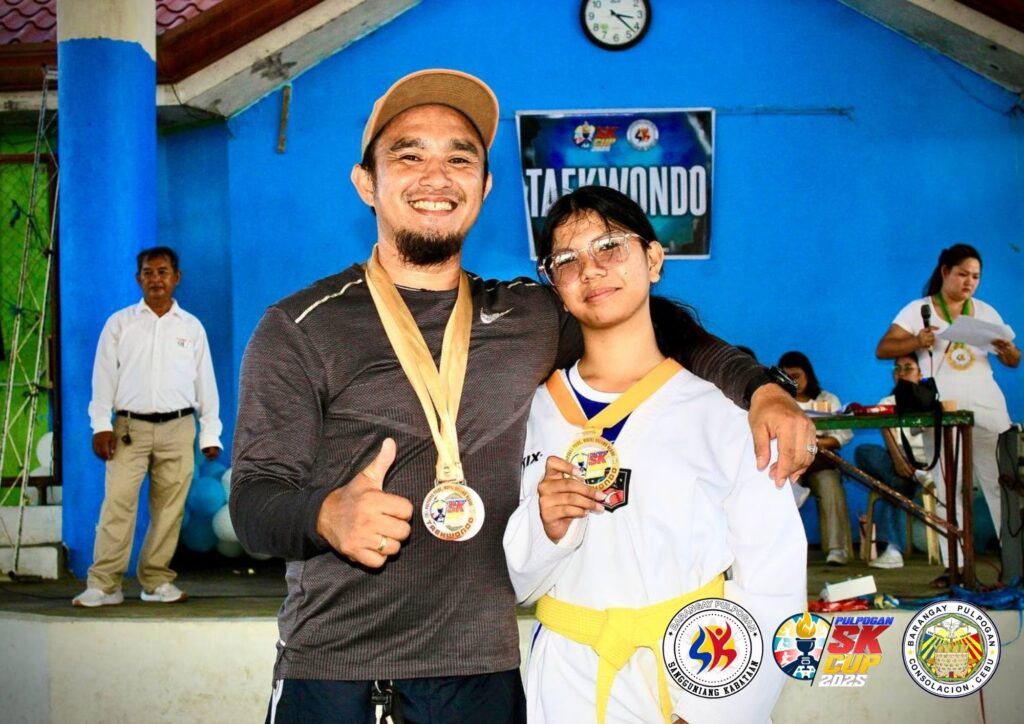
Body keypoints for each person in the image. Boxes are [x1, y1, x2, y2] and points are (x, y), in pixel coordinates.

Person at [229, 68, 816, 722]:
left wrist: (759, 388)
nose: (436, 176)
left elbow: (652, 324)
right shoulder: (301, 326)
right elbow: (253, 503)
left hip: (485, 674)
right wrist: (324, 515)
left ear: (483, 187)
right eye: (409, 156)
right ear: (367, 182)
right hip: (338, 672)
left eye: (460, 158)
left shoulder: (528, 317)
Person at [503, 186, 806, 724]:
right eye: (567, 260)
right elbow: (512, 582)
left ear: (654, 259)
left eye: (609, 246)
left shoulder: (722, 408)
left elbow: (775, 579)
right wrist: (544, 528)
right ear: (554, 286)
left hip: (698, 665)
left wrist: (715, 711)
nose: (590, 270)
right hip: (570, 680)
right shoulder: (528, 411)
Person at [73, 246, 222, 607]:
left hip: (179, 428)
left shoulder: (191, 327)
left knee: (169, 508)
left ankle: (155, 581)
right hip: (129, 429)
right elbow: (103, 378)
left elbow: (206, 382)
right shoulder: (120, 324)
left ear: (176, 278)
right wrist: (100, 425)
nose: (156, 279)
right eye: (148, 272)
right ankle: (104, 584)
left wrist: (210, 432)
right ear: (138, 278)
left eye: (162, 272)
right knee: (117, 503)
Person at [876, 244, 1019, 575]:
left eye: (976, 277)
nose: (970, 282)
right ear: (945, 272)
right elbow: (883, 348)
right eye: (963, 274)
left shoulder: (985, 311)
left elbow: (1014, 360)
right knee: (947, 487)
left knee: (1000, 483)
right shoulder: (919, 310)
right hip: (942, 408)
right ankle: (955, 567)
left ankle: (1015, 565)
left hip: (987, 407)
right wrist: (916, 341)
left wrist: (1008, 350)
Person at [853, 355, 934, 569]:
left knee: (893, 487)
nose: (901, 373)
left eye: (908, 368)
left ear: (921, 372)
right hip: (898, 463)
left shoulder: (932, 400)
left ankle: (892, 550)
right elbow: (888, 437)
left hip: (928, 465)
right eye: (897, 369)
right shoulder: (888, 402)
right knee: (864, 451)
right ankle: (908, 478)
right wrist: (899, 463)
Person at [779, 351, 854, 565]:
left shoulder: (827, 399)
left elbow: (842, 435)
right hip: (789, 463)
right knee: (781, 490)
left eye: (796, 376)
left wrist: (813, 443)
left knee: (831, 486)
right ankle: (784, 553)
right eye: (786, 377)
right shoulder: (778, 401)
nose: (793, 382)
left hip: (821, 460)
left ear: (808, 374)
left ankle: (837, 549)